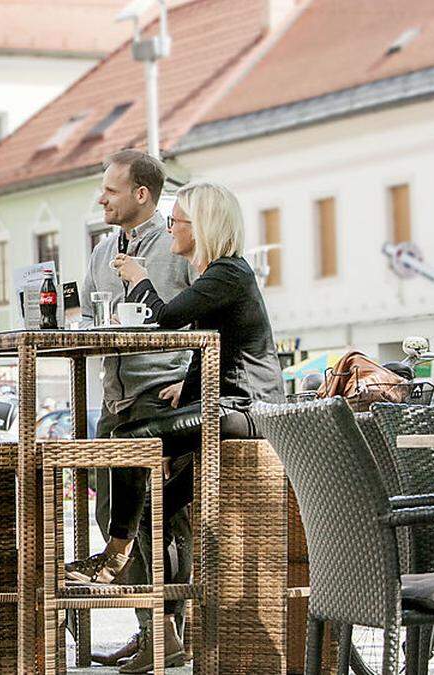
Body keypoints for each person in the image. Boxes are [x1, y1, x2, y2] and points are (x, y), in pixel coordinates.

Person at [99, 180, 285, 670]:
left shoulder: (227, 273)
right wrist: (187, 385)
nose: (168, 228)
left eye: (175, 221)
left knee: (127, 438)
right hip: (227, 403)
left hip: (246, 410)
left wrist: (139, 275)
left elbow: (163, 319)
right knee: (156, 510)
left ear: (199, 227)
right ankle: (166, 634)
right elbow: (219, 342)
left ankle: (115, 552)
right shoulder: (221, 276)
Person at [70, 150, 195, 671]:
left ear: (142, 195)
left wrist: (191, 381)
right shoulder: (102, 252)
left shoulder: (179, 244)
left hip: (164, 397)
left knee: (163, 520)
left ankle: (168, 633)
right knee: (110, 513)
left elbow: (212, 317)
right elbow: (100, 318)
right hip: (115, 399)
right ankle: (155, 630)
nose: (100, 198)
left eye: (110, 190)